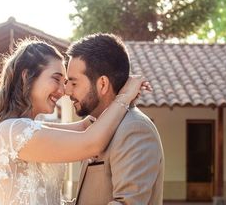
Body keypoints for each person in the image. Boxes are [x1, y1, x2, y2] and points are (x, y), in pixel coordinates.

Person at [0, 38, 150, 205]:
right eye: (56, 79)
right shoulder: (13, 131)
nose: (63, 90)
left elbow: (83, 127)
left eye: (65, 82)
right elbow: (90, 143)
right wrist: (124, 97)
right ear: (27, 76)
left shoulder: (22, 128)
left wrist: (112, 91)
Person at [66, 33, 164, 205]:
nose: (67, 91)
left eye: (74, 83)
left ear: (102, 84)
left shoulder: (135, 129)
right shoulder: (96, 127)